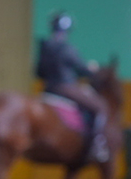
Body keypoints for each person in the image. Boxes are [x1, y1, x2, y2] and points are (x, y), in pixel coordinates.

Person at [35, 11, 110, 163]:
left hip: (48, 88)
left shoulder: (44, 47)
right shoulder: (67, 48)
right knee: (100, 107)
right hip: (66, 88)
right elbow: (81, 69)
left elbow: (38, 72)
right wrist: (92, 69)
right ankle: (97, 144)